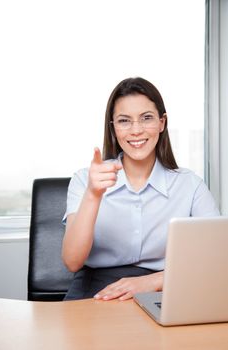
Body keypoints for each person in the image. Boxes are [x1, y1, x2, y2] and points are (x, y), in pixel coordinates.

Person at [62, 77, 219, 301]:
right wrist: (93, 195)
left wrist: (154, 281)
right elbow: (72, 261)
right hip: (95, 289)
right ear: (114, 128)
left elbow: (217, 259)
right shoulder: (83, 180)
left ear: (162, 123)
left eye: (146, 118)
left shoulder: (191, 185)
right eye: (124, 121)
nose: (136, 130)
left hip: (165, 286)